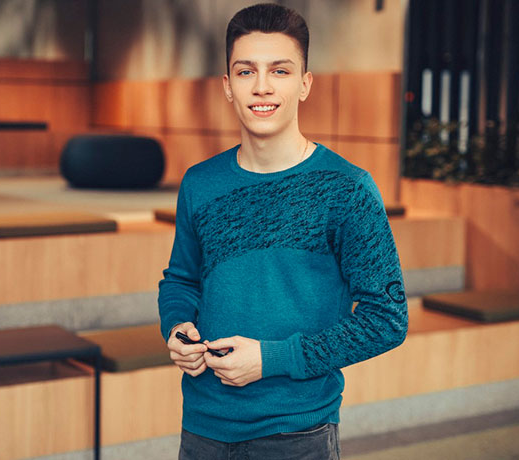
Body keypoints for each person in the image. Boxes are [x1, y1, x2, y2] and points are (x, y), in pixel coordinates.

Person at [157, 3, 409, 459]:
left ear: (305, 84)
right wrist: (177, 327)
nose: (262, 87)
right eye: (246, 71)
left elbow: (386, 319)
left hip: (299, 433)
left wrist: (272, 359)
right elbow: (181, 280)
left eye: (280, 70)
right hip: (203, 426)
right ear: (228, 87)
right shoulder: (199, 182)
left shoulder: (346, 188)